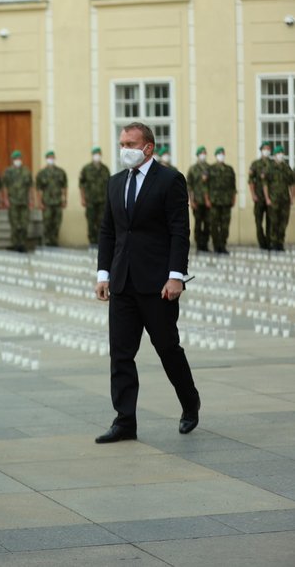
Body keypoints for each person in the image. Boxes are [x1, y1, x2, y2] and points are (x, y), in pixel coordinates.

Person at [94, 122, 200, 444]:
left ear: (148, 147)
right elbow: (108, 232)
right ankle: (125, 421)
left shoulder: (169, 180)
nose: (124, 148)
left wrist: (175, 276)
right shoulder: (115, 183)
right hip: (123, 283)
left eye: (130, 143)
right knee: (121, 354)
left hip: (158, 285)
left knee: (167, 348)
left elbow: (180, 231)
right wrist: (103, 274)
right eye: (121, 142)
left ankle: (189, 403)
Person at [264, 145, 295, 251]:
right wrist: (267, 198)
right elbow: (265, 184)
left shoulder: (287, 168)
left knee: (283, 222)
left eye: (282, 153)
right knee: (273, 222)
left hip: (285, 200)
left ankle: (280, 242)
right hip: (273, 199)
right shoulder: (269, 168)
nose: (281, 155)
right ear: (275, 155)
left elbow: (292, 184)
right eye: (279, 153)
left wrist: (292, 197)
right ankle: (273, 243)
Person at [34, 150, 68, 247]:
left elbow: (64, 187)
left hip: (57, 202)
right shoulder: (41, 173)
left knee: (57, 223)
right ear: (46, 159)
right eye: (49, 158)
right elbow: (39, 189)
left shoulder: (61, 172)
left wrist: (65, 199)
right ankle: (48, 242)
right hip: (47, 203)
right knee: (47, 223)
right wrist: (39, 202)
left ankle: (54, 241)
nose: (51, 159)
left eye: (52, 157)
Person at [2, 150, 33, 252]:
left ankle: (22, 244)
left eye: (19, 158)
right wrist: (6, 199)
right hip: (13, 201)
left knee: (24, 224)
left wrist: (31, 200)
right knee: (15, 224)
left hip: (24, 201)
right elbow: (5, 187)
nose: (18, 160)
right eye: (16, 159)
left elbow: (30, 187)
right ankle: (15, 244)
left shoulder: (26, 171)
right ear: (12, 160)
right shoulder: (8, 172)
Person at [79, 146, 111, 247]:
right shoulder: (86, 169)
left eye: (98, 154)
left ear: (101, 155)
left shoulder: (105, 169)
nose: (97, 156)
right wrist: (83, 198)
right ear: (92, 156)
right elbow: (81, 184)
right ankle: (92, 243)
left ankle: (100, 243)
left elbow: (109, 184)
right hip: (90, 201)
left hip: (103, 200)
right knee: (91, 222)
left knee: (102, 222)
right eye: (95, 154)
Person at [207, 147, 236, 255]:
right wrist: (207, 199)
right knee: (214, 225)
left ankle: (223, 245)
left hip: (226, 201)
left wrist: (233, 198)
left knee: (225, 225)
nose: (221, 155)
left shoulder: (229, 169)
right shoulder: (211, 169)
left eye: (223, 153)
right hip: (214, 201)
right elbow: (205, 186)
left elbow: (233, 186)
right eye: (219, 154)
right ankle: (216, 246)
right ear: (216, 155)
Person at [248, 141, 274, 250]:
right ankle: (262, 242)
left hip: (271, 197)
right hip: (259, 197)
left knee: (270, 221)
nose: (266, 151)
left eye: (268, 149)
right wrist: (253, 194)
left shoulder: (273, 164)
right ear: (261, 150)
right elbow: (250, 180)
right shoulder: (255, 164)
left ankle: (269, 242)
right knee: (258, 222)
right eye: (265, 149)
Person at [186, 147, 211, 252]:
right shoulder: (193, 169)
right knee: (198, 223)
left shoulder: (210, 168)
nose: (203, 155)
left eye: (204, 153)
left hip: (208, 201)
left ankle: (205, 244)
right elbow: (189, 186)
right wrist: (191, 201)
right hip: (197, 200)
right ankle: (198, 245)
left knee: (208, 223)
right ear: (197, 155)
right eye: (201, 153)